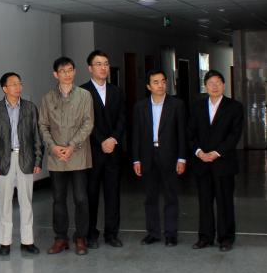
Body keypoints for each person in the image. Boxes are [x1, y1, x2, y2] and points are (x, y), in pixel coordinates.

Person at [39, 57, 94, 256]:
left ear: (75, 71)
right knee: (58, 199)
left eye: (70, 70)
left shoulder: (84, 95)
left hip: (78, 153)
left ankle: (81, 237)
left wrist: (71, 146)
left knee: (81, 198)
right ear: (56, 74)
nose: (67, 74)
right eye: (63, 71)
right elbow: (43, 125)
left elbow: (88, 123)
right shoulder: (47, 98)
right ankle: (60, 238)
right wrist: (53, 147)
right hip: (57, 156)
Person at [188, 70, 244, 252]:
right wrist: (199, 152)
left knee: (224, 202)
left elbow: (235, 135)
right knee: (204, 202)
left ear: (224, 85)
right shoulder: (197, 107)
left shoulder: (235, 107)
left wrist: (217, 152)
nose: (214, 86)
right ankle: (205, 237)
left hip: (223, 163)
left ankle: (226, 238)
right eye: (210, 83)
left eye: (218, 82)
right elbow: (190, 133)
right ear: (205, 86)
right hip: (202, 162)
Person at [0, 72, 43, 255]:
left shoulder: (30, 108)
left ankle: (28, 241)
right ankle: (5, 242)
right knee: (4, 202)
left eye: (19, 83)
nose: (18, 87)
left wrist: (38, 159)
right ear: (4, 88)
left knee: (26, 201)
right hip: (4, 159)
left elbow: (37, 136)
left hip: (26, 158)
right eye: (13, 84)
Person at [131, 71, 187, 247]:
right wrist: (136, 159)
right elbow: (136, 134)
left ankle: (171, 234)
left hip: (170, 156)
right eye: (155, 82)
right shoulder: (140, 106)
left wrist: (182, 158)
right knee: (150, 197)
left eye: (163, 81)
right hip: (147, 156)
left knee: (171, 196)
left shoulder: (177, 105)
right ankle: (153, 233)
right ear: (148, 86)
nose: (160, 85)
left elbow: (182, 133)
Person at [81, 50, 126, 249]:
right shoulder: (82, 92)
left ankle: (111, 234)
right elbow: (84, 122)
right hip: (92, 152)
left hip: (113, 152)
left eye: (106, 63)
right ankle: (91, 233)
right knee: (90, 195)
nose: (103, 67)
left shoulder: (117, 91)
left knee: (113, 194)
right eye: (98, 64)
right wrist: (101, 141)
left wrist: (113, 139)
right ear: (90, 68)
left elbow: (122, 118)